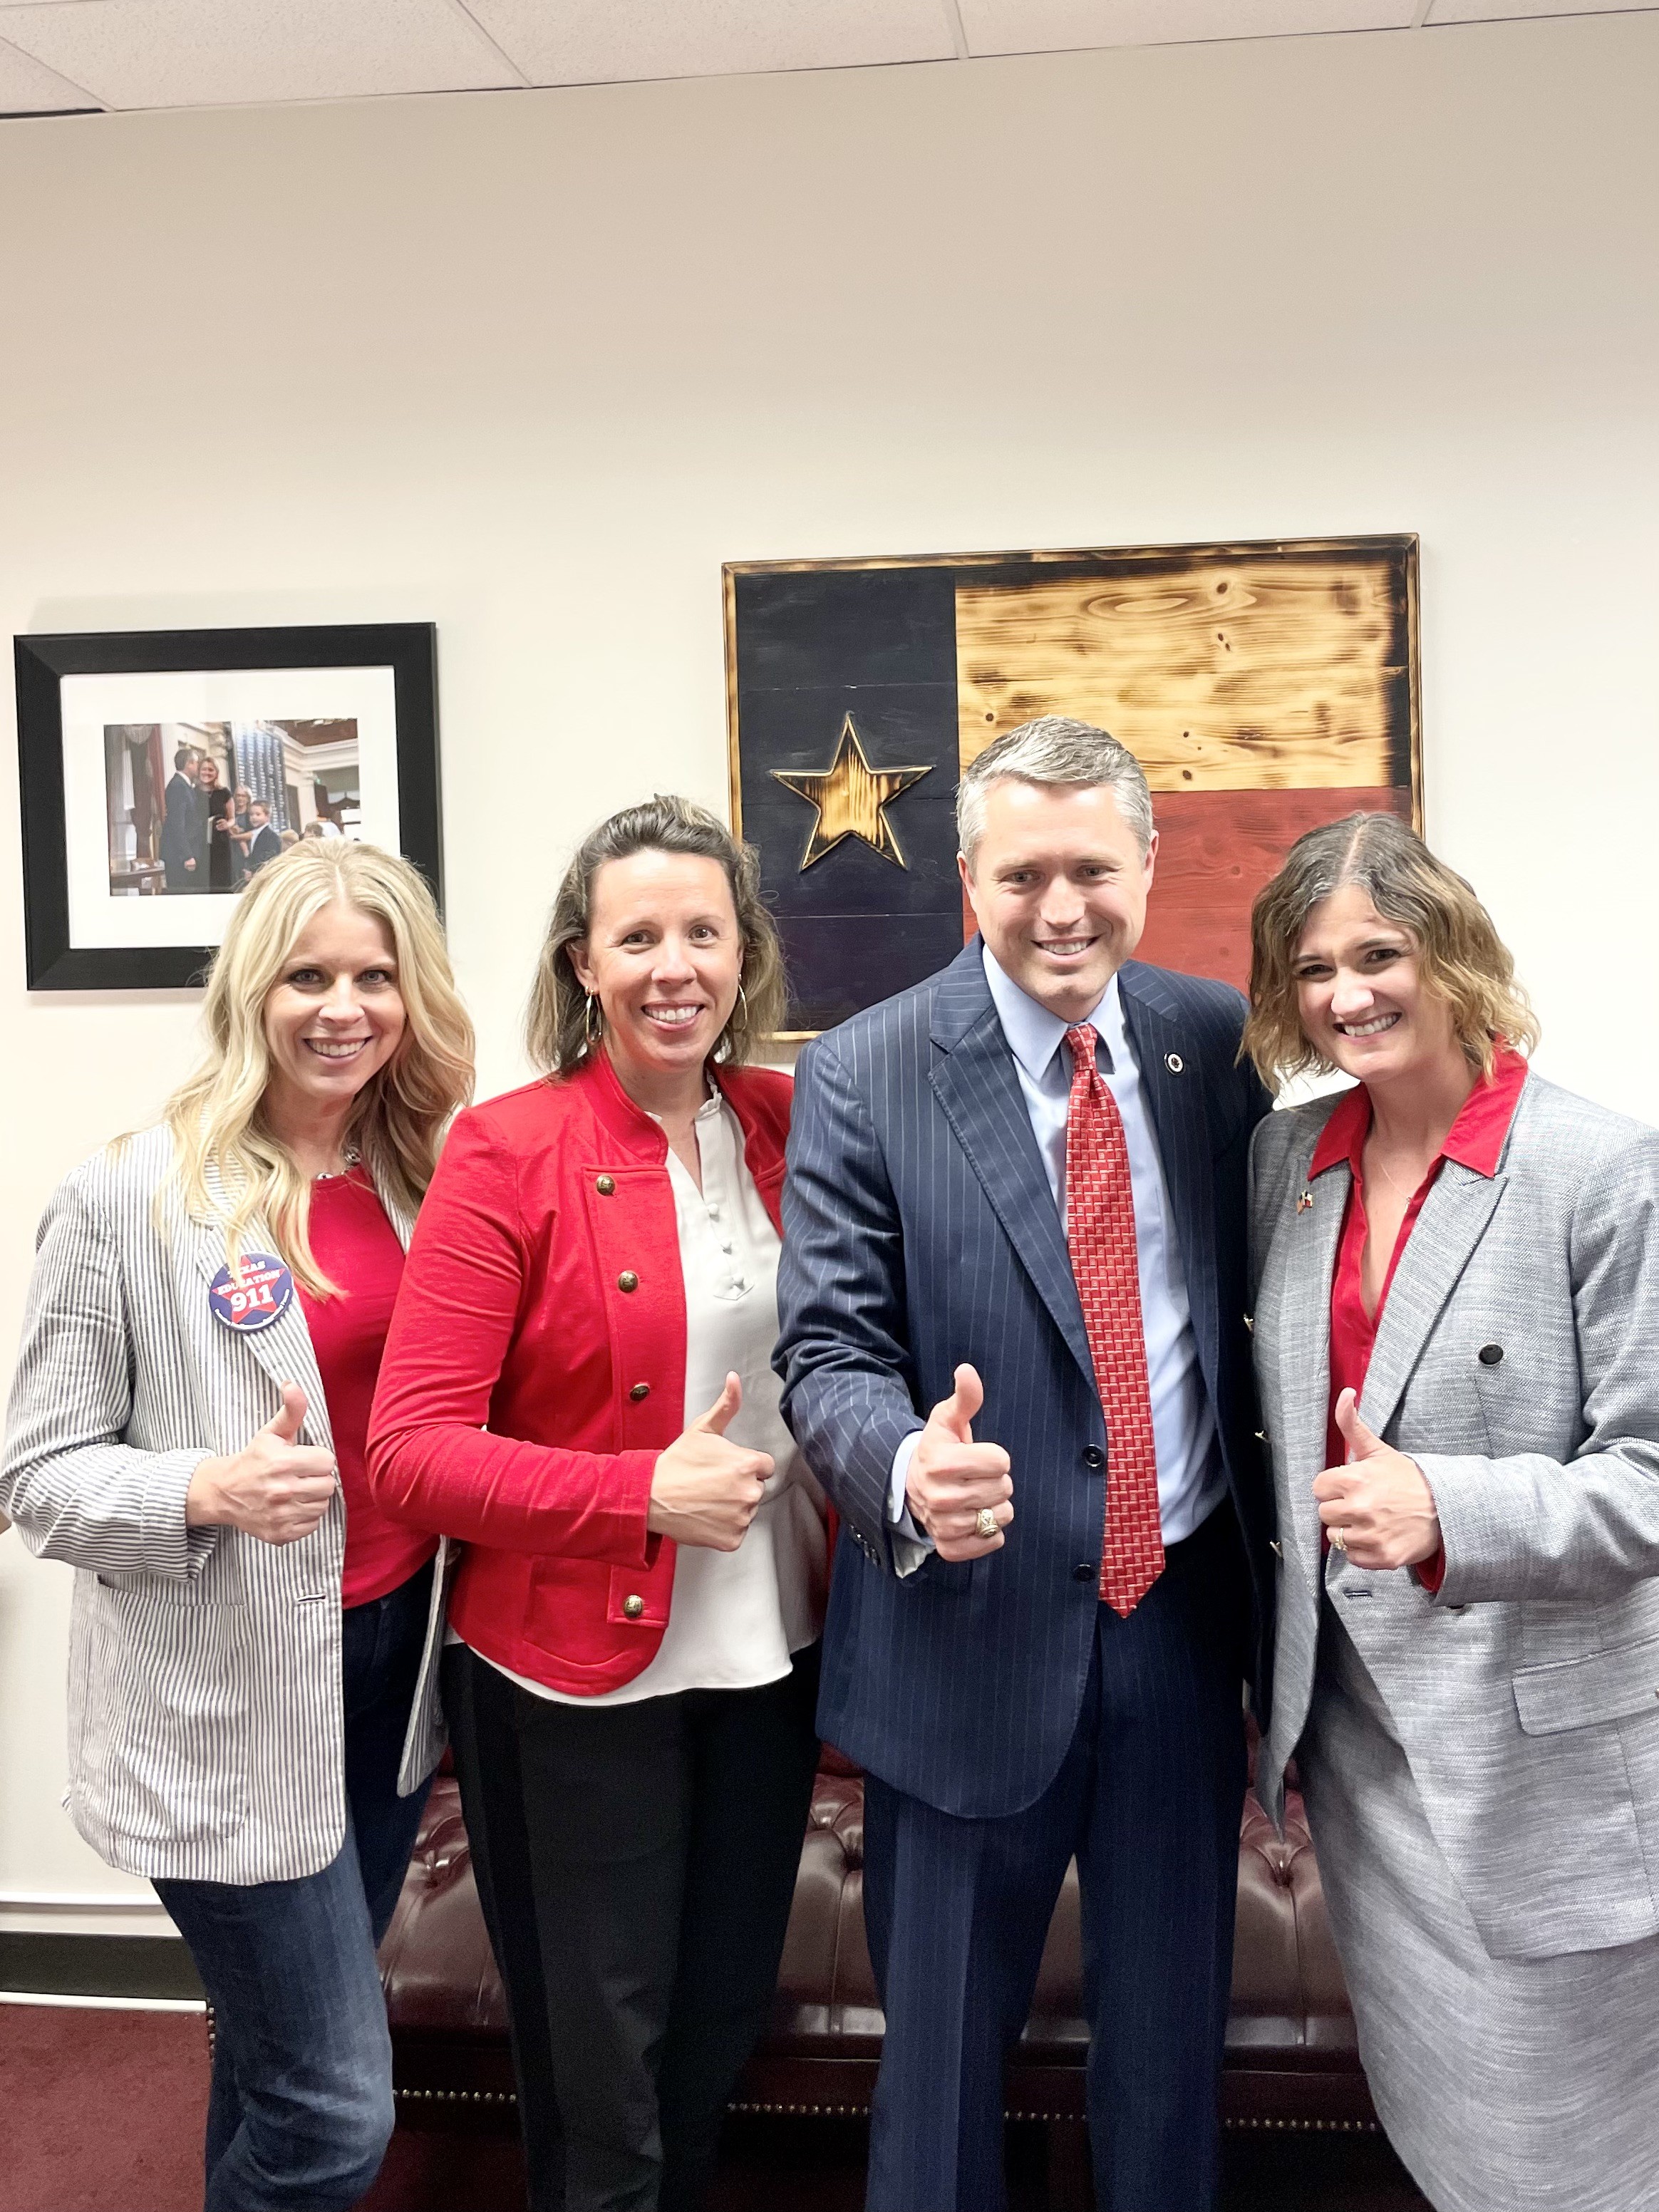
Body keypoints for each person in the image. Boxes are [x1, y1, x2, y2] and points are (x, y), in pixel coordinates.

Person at [775, 718, 1275, 2212]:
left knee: (1169, 2069)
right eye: (1023, 875)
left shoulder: (1213, 1042)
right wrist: (902, 1471)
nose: (1062, 910)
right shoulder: (865, 1068)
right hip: (960, 1641)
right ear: (967, 878)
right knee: (937, 2093)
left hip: (1178, 1626)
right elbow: (828, 1352)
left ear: (1148, 864)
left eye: (1093, 871)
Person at [368, 797, 827, 2212]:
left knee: (715, 2033)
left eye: (703, 932)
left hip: (772, 1661)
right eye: (637, 938)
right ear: (584, 960)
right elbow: (411, 1452)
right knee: (602, 2081)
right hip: (570, 1678)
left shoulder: (793, 1120)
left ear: (744, 951)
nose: (673, 966)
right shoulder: (506, 1147)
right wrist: (639, 1492)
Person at [1, 839, 474, 2212]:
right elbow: (38, 1476)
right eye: (307, 975)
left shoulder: (424, 1178)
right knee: (334, 2109)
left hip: (387, 1675)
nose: (344, 1007)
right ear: (249, 988)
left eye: (375, 975)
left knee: (275, 2061)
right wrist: (203, 1486)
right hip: (219, 1696)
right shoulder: (129, 1194)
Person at [1245, 812, 1659, 2212]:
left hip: (1545, 1767)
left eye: (1377, 953)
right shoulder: (1282, 1161)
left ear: (1451, 949)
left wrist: (1445, 1504)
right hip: (1361, 1760)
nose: (1346, 993)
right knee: (1445, 2142)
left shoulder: (1603, 1166)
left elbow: (1648, 1478)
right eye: (1313, 968)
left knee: (1573, 2166)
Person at [160, 744, 203, 892]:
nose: (198, 766)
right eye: (196, 763)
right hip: (179, 856)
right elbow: (177, 824)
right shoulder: (178, 786)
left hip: (184, 853)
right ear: (189, 764)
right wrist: (187, 855)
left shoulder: (185, 785)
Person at [198, 755, 238, 892]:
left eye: (211, 770)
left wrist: (228, 824)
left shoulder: (224, 792)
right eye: (204, 769)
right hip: (201, 843)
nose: (207, 773)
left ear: (216, 773)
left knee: (222, 880)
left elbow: (232, 818)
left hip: (221, 842)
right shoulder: (193, 792)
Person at [243, 800, 283, 877]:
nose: (254, 817)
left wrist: (254, 873)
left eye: (258, 814)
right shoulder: (253, 834)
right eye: (251, 814)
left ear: (268, 817)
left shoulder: (272, 837)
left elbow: (269, 859)